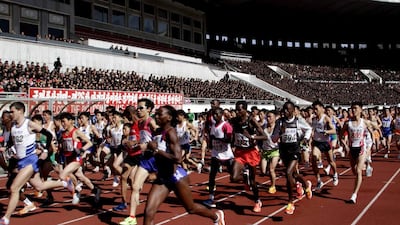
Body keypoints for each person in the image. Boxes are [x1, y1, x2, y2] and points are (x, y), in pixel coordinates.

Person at [143, 105, 226, 225]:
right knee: (149, 212)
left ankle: (216, 216)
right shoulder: (157, 132)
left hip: (176, 177)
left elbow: (177, 158)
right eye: (156, 113)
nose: (156, 116)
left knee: (191, 208)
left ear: (169, 117)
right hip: (162, 178)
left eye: (160, 114)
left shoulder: (171, 133)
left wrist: (157, 151)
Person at [0, 102, 74, 225]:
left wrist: (45, 150)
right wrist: (9, 152)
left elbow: (48, 134)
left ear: (20, 111)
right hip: (20, 161)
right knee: (39, 186)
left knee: (14, 188)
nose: (11, 114)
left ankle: (6, 218)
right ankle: (65, 183)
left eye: (12, 111)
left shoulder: (29, 124)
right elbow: (17, 144)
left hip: (31, 160)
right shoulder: (13, 127)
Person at [271, 101, 313, 215]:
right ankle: (306, 185)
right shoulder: (279, 122)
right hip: (284, 150)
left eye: (287, 109)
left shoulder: (299, 121)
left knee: (288, 173)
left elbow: (309, 129)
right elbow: (273, 139)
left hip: (295, 149)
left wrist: (305, 138)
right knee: (294, 175)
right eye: (284, 109)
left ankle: (290, 202)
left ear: (293, 111)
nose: (285, 111)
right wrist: (280, 133)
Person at [230, 100, 265, 213]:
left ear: (245, 110)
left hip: (251, 153)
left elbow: (264, 136)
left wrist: (252, 138)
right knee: (233, 177)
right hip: (240, 152)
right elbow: (232, 133)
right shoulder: (234, 121)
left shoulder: (251, 120)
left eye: (240, 110)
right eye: (236, 110)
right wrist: (232, 144)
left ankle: (257, 200)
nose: (238, 112)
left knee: (253, 181)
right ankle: (244, 178)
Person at [341, 101, 375, 204]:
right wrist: (345, 145)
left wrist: (369, 147)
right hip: (352, 149)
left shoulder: (365, 122)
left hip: (361, 148)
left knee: (359, 171)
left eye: (355, 108)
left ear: (360, 109)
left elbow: (373, 132)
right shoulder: (348, 123)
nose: (353, 110)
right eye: (352, 108)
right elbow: (341, 134)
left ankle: (354, 195)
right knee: (355, 171)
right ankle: (360, 177)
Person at [202, 107, 234, 208]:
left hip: (226, 154)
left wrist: (216, 139)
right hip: (216, 154)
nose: (214, 116)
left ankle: (245, 175)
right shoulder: (213, 126)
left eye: (217, 114)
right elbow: (211, 137)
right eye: (213, 114)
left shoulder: (226, 125)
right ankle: (211, 198)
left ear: (221, 115)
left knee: (234, 176)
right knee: (212, 176)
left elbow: (229, 140)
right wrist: (210, 144)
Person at [310, 100, 339, 191]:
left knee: (331, 161)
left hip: (325, 143)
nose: (315, 111)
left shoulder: (326, 118)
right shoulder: (314, 119)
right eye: (313, 109)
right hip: (317, 142)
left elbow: (334, 131)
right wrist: (310, 137)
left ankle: (335, 174)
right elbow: (313, 130)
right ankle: (319, 180)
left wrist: (326, 132)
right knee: (314, 158)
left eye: (316, 109)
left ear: (322, 109)